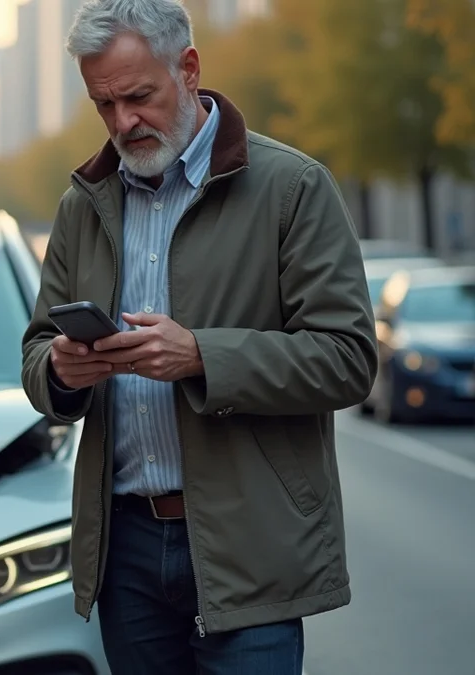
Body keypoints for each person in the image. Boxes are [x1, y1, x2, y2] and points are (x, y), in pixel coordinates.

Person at [19, 0, 378, 673]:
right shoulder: (82, 205)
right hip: (123, 549)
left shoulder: (293, 187)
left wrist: (201, 356)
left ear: (188, 69)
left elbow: (349, 359)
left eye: (138, 96)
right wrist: (63, 369)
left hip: (251, 544)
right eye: (104, 105)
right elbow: (37, 353)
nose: (123, 122)